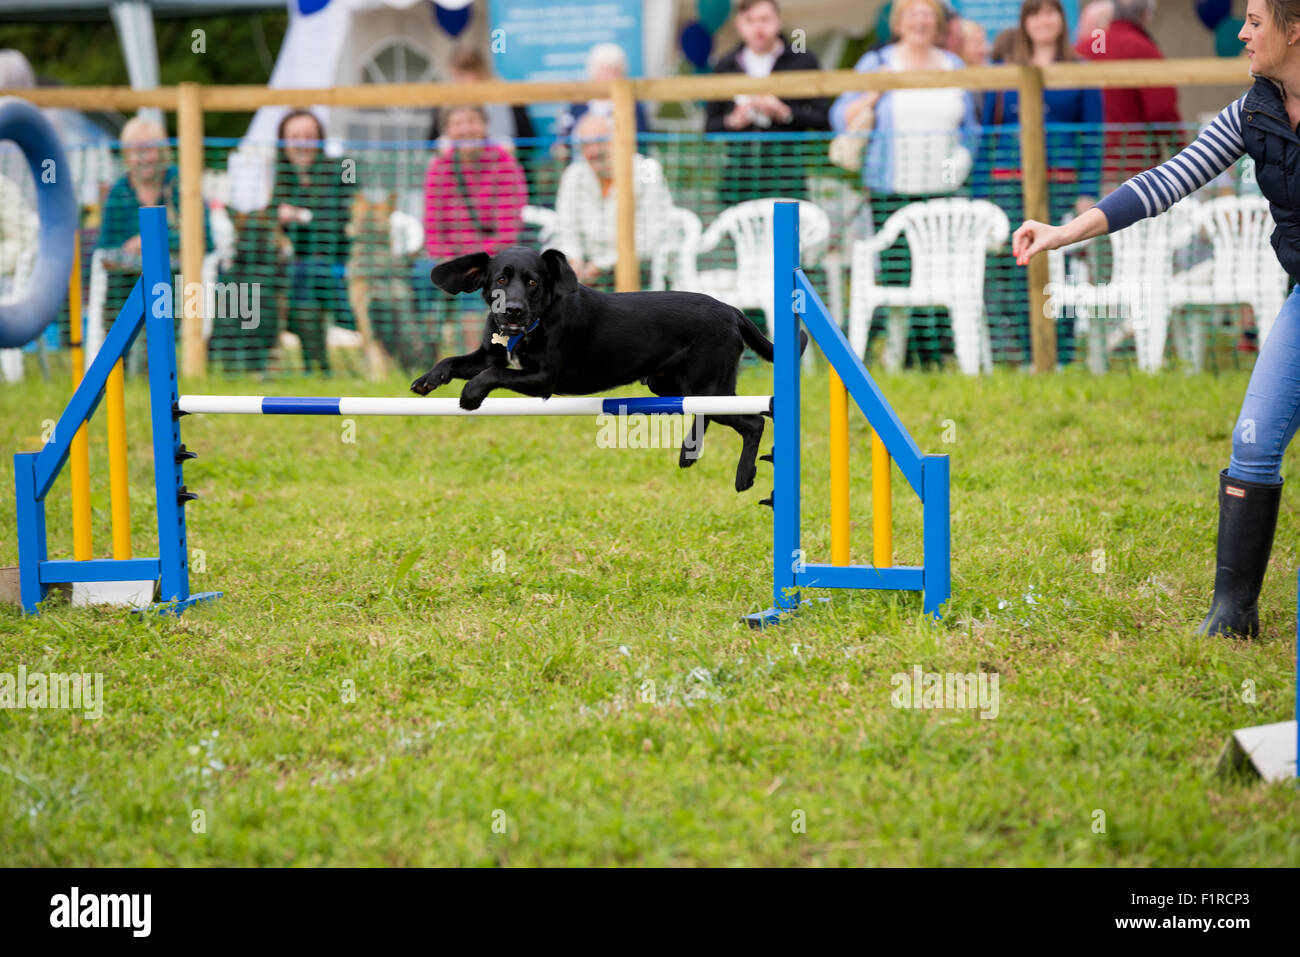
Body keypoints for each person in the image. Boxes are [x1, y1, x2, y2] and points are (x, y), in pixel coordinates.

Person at [1011, 0, 1300, 639]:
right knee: (1252, 445)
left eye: (1256, 21)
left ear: (1294, 29)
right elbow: (1164, 181)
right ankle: (1233, 615)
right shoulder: (1253, 110)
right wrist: (1064, 233)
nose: (1244, 33)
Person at [830, 0, 980, 369]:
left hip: (942, 190)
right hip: (890, 188)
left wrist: (957, 163)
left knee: (940, 275)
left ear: (938, 23)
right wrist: (871, 95)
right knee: (897, 276)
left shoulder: (953, 65)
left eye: (928, 14)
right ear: (899, 22)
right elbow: (840, 115)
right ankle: (898, 356)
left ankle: (934, 355)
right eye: (912, 13)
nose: (920, 20)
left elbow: (971, 129)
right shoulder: (876, 63)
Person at [980, 0, 1103, 366]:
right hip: (1008, 181)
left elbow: (1093, 136)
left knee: (1063, 266)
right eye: (1035, 13)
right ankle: (1028, 353)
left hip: (1061, 182)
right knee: (1019, 266)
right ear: (1024, 22)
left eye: (1050, 12)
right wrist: (980, 195)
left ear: (1061, 20)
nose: (1043, 20)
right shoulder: (1002, 72)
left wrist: (1087, 191)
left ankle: (1060, 355)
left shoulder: (1081, 70)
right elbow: (988, 133)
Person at [98, 116, 213, 372]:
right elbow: (106, 245)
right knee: (116, 292)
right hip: (126, 279)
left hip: (178, 276)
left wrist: (150, 242)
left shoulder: (182, 185)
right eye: (135, 151)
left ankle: (161, 366)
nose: (142, 158)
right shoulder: (119, 191)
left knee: (166, 289)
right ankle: (119, 367)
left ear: (162, 152)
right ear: (126, 156)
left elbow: (206, 237)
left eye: (148, 149)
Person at [422, 104, 527, 351]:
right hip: (449, 256)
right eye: (458, 123)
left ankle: (478, 360)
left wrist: (470, 261)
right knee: (419, 279)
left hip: (492, 259)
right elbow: (432, 228)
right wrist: (446, 256)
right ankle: (422, 358)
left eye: (472, 120)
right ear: (446, 131)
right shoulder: (438, 168)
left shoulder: (504, 164)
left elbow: (508, 230)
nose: (466, 128)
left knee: (474, 289)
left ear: (484, 126)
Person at [704, 0, 830, 204]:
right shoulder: (725, 65)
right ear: (739, 24)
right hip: (739, 179)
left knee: (786, 234)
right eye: (750, 20)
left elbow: (823, 117)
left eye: (764, 19)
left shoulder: (802, 60)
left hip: (787, 177)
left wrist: (785, 113)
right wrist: (733, 121)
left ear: (777, 21)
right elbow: (710, 126)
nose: (758, 27)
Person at [270, 109, 355, 374]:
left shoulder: (344, 167)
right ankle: (312, 365)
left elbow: (343, 218)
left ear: (320, 139)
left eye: (309, 135)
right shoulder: (278, 179)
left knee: (303, 275)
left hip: (339, 263)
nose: (302, 143)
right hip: (294, 268)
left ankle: (316, 365)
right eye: (294, 136)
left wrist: (300, 215)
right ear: (283, 143)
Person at [553, 112, 674, 290]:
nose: (594, 151)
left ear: (618, 141)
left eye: (600, 141)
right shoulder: (574, 174)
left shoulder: (648, 170)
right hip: (586, 275)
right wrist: (574, 260)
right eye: (586, 145)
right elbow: (565, 229)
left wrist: (603, 264)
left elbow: (654, 234)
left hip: (642, 272)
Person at [1074, 0, 1183, 190]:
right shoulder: (1145, 50)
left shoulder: (1082, 50)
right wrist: (1182, 153)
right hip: (1132, 163)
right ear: (1146, 16)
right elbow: (1161, 111)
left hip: (1081, 164)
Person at [554, 43, 649, 150]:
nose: (609, 76)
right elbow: (564, 139)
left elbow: (642, 142)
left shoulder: (633, 106)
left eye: (614, 71)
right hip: (581, 164)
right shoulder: (577, 105)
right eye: (604, 71)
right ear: (593, 72)